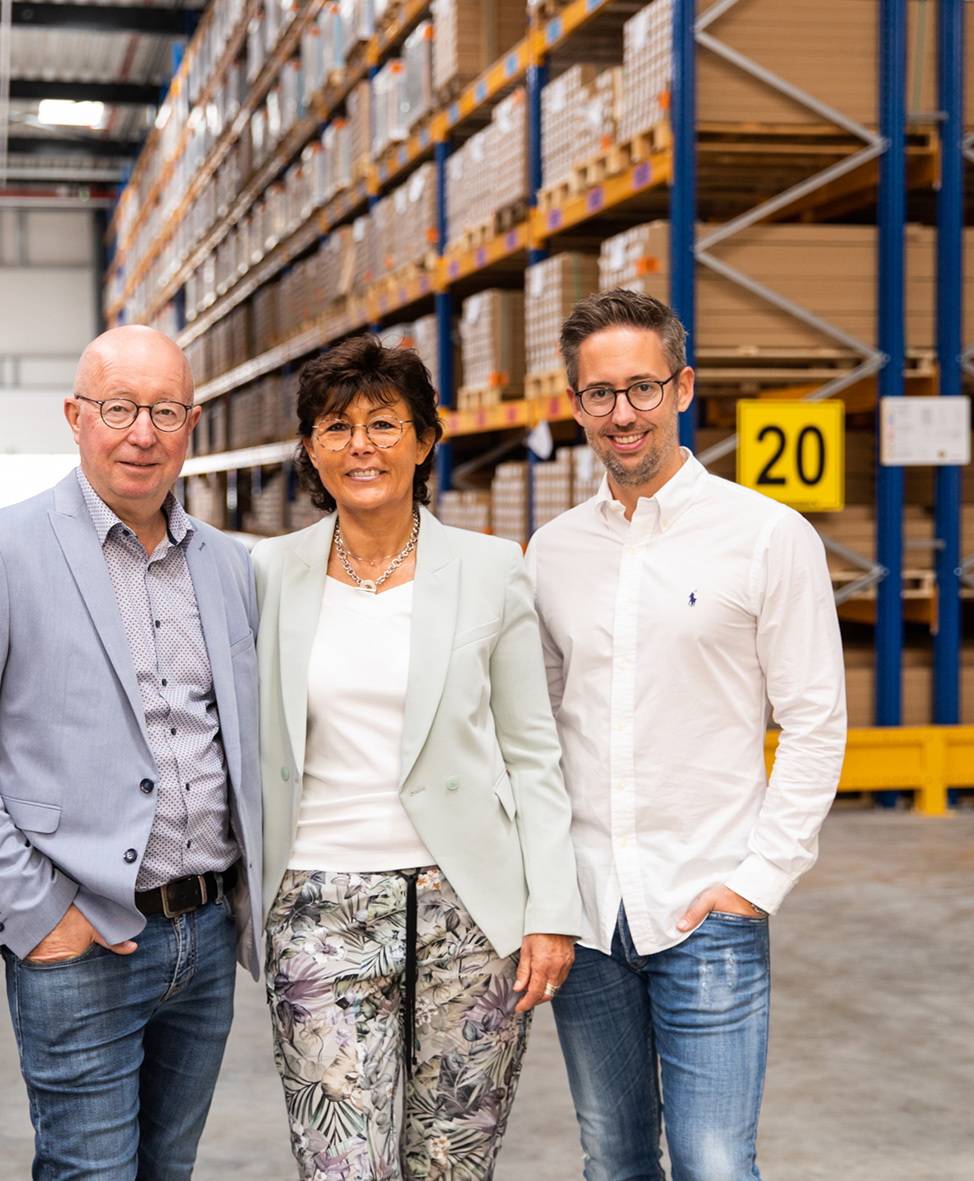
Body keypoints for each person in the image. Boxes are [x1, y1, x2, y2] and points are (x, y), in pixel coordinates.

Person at [0, 325, 262, 1181]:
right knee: (90, 1172)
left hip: (205, 936)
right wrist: (33, 913)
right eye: (119, 407)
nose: (142, 432)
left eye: (164, 410)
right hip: (82, 935)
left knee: (167, 1169)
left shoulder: (227, 566)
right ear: (75, 415)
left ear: (192, 422)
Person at [526, 290, 847, 1181]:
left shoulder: (767, 537)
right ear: (577, 402)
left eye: (642, 387)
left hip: (707, 903)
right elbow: (539, 728)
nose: (622, 413)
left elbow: (816, 718)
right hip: (589, 913)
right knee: (614, 1159)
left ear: (683, 387)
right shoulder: (550, 552)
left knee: (713, 1163)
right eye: (599, 393)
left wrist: (759, 879)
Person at [251, 335, 582, 1180]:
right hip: (318, 907)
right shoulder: (267, 573)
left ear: (426, 440)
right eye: (336, 426)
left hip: (468, 910)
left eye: (384, 423)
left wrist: (550, 907)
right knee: (341, 1167)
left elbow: (533, 752)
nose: (362, 445)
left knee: (451, 1164)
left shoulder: (490, 568)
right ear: (311, 450)